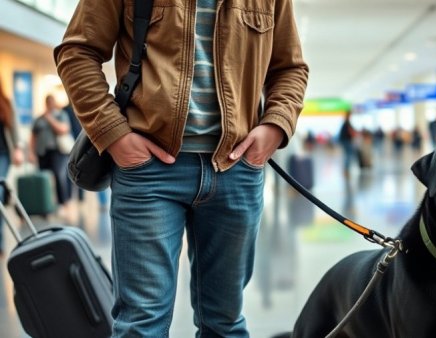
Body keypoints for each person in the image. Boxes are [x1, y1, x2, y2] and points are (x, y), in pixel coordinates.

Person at [55, 1, 308, 337]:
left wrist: (276, 125)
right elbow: (77, 53)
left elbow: (290, 68)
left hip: (236, 170)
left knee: (225, 323)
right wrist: (114, 135)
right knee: (141, 325)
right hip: (148, 172)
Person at [30, 95, 72, 209]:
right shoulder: (39, 119)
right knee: (43, 178)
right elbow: (33, 136)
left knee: (59, 176)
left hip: (58, 151)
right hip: (42, 152)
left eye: (51, 102)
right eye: (48, 102)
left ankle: (63, 203)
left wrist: (50, 119)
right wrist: (31, 152)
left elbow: (64, 129)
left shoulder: (61, 115)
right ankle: (44, 204)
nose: (50, 104)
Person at [0, 80, 24, 255]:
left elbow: (14, 128)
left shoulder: (5, 102)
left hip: (3, 155)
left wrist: (18, 149)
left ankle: (0, 242)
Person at [339, 112, 356, 177]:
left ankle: (346, 170)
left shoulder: (345, 123)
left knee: (347, 156)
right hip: (347, 141)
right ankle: (346, 171)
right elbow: (351, 132)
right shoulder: (347, 123)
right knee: (348, 156)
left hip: (345, 141)